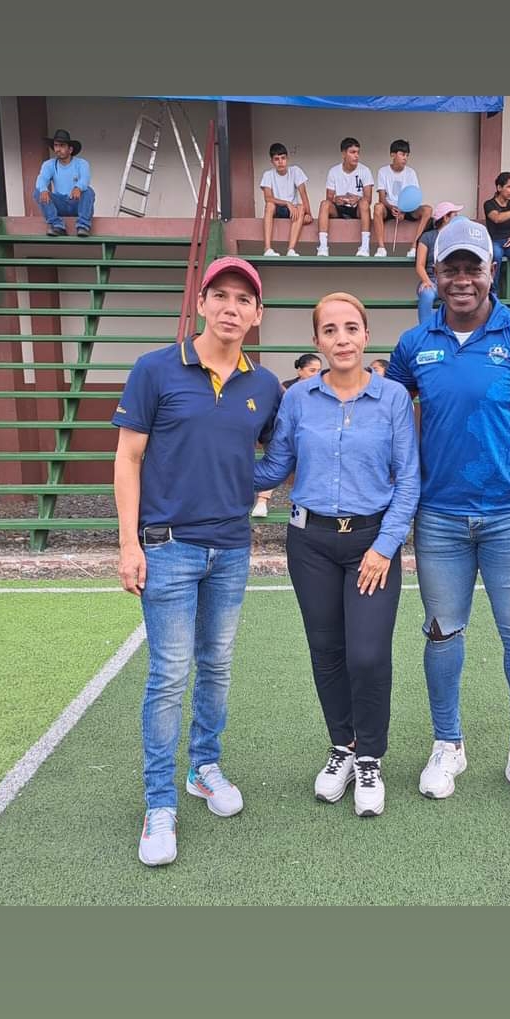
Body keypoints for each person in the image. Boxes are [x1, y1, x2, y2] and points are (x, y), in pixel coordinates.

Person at [387, 218, 510, 816]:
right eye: (451, 268)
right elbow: (389, 423)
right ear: (435, 274)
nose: (462, 279)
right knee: (442, 635)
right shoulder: (414, 345)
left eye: (474, 267)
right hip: (439, 519)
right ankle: (448, 745)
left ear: (493, 271)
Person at [113, 257, 283, 867]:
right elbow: (128, 458)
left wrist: (250, 484)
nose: (232, 308)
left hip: (232, 547)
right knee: (169, 674)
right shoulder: (155, 369)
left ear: (257, 314)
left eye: (244, 299)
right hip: (168, 546)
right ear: (202, 303)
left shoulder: (266, 385)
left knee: (217, 665)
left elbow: (276, 453)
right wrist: (129, 543)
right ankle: (159, 802)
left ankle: (204, 767)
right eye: (222, 296)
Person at [252, 294, 420, 816]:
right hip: (310, 544)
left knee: (367, 655)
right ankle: (342, 747)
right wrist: (213, 457)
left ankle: (370, 755)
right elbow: (274, 467)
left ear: (366, 335)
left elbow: (408, 480)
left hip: (371, 544)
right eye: (330, 330)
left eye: (350, 328)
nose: (341, 339)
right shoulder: (299, 399)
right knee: (326, 652)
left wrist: (385, 547)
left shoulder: (393, 398)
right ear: (317, 341)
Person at [255, 347, 321, 513]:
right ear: (300, 370)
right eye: (312, 370)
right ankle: (262, 502)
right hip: (282, 434)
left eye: (319, 370)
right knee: (275, 465)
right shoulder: (286, 388)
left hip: (307, 435)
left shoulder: (321, 389)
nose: (316, 374)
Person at [372, 140, 433, 258]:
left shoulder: (411, 173)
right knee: (377, 207)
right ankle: (381, 248)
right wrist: (392, 208)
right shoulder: (383, 171)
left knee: (428, 210)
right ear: (392, 155)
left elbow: (414, 197)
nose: (405, 158)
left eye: (407, 155)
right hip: (389, 208)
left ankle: (414, 247)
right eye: (402, 154)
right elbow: (382, 198)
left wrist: (404, 211)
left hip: (407, 209)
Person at [318, 138, 372, 259]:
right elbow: (329, 198)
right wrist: (336, 199)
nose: (356, 156)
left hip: (357, 209)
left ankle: (365, 246)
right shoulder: (334, 171)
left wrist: (358, 198)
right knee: (324, 204)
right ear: (343, 154)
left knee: (364, 203)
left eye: (358, 152)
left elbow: (368, 199)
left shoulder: (365, 171)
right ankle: (323, 246)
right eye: (352, 152)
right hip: (339, 209)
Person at [34, 131, 95, 237]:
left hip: (76, 203)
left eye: (62, 145)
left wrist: (78, 187)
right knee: (38, 192)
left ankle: (83, 226)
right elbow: (41, 179)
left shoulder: (81, 163)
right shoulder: (49, 164)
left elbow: (85, 179)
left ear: (70, 149)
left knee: (88, 191)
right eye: (56, 145)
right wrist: (43, 189)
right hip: (60, 204)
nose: (58, 149)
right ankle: (57, 225)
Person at [415, 202, 466, 327]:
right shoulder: (427, 237)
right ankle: (425, 330)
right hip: (432, 279)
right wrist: (427, 282)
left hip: (451, 280)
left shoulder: (457, 238)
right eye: (454, 215)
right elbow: (420, 265)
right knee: (427, 294)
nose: (458, 218)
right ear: (446, 217)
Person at [260, 141, 311, 259]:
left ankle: (291, 249)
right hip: (277, 208)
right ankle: (267, 248)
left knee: (300, 207)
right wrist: (287, 203)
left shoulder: (295, 171)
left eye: (283, 158)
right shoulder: (268, 174)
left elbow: (303, 194)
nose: (280, 162)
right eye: (276, 159)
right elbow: (268, 198)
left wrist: (308, 214)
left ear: (287, 158)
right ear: (272, 161)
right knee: (269, 205)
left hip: (293, 211)